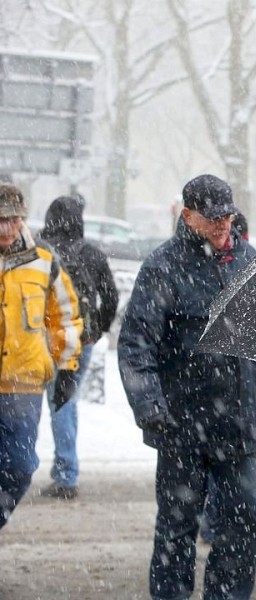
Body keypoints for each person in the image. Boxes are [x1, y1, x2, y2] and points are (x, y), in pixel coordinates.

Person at [117, 174, 256, 600]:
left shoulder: (251, 261)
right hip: (181, 425)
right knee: (177, 526)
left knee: (242, 525)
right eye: (213, 218)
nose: (223, 224)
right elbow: (135, 344)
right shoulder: (162, 267)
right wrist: (149, 405)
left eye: (227, 215)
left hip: (240, 424)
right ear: (188, 215)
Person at [0, 183, 83, 529]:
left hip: (23, 387)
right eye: (0, 220)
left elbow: (65, 317)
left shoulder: (44, 262)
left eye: (13, 220)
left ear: (23, 220)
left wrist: (66, 369)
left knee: (20, 468)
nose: (6, 228)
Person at [37, 195, 119, 500]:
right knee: (65, 403)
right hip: (80, 341)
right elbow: (110, 298)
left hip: (44, 340)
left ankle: (59, 472)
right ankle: (65, 471)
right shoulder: (93, 255)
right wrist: (95, 331)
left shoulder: (42, 253)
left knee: (35, 405)